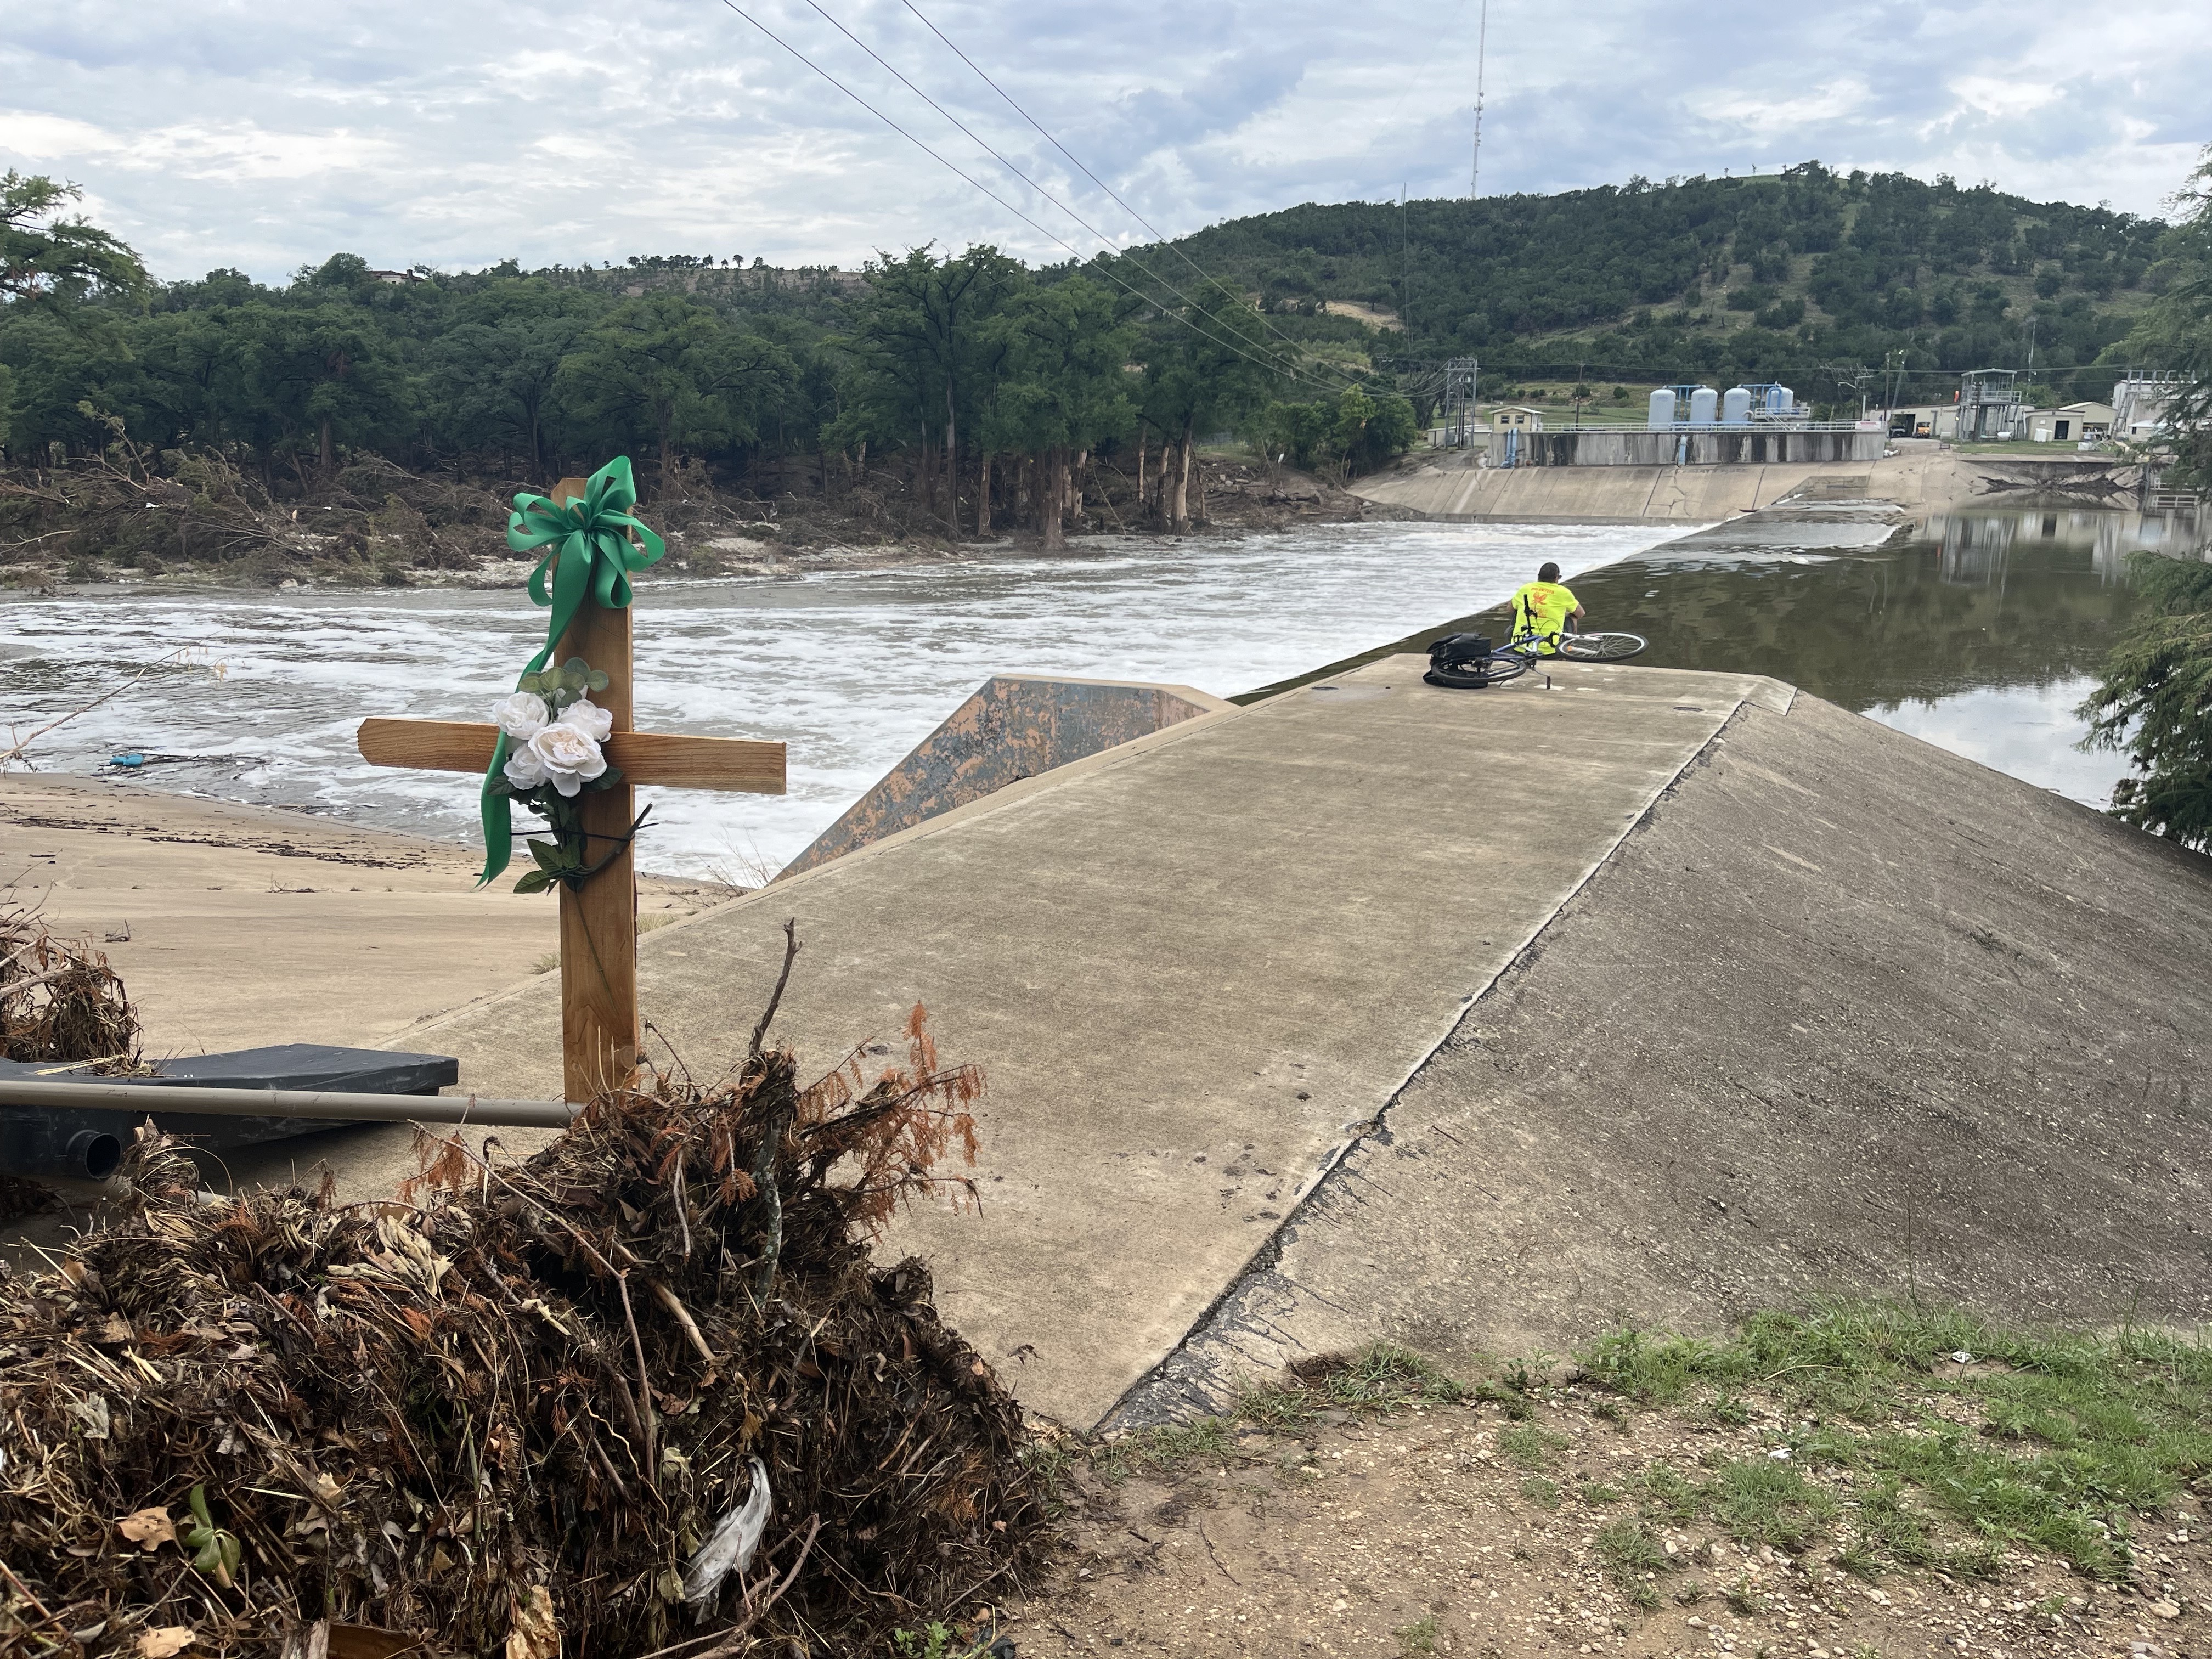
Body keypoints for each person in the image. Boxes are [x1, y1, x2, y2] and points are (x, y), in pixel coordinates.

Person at [1509, 561, 1585, 654]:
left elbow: (1510, 609)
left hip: (1519, 648)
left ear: (1538, 576)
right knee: (1573, 617)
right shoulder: (1563, 592)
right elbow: (1581, 613)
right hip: (1551, 652)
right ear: (1556, 578)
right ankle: (1566, 648)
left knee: (1518, 611)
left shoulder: (1525, 588)